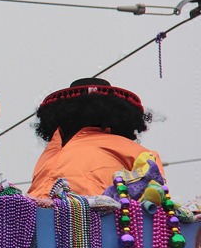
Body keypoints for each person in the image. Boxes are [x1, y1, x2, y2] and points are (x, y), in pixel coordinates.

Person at [28, 78, 163, 198]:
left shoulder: (138, 153)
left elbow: (155, 198)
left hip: (99, 221)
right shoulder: (51, 152)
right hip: (36, 221)